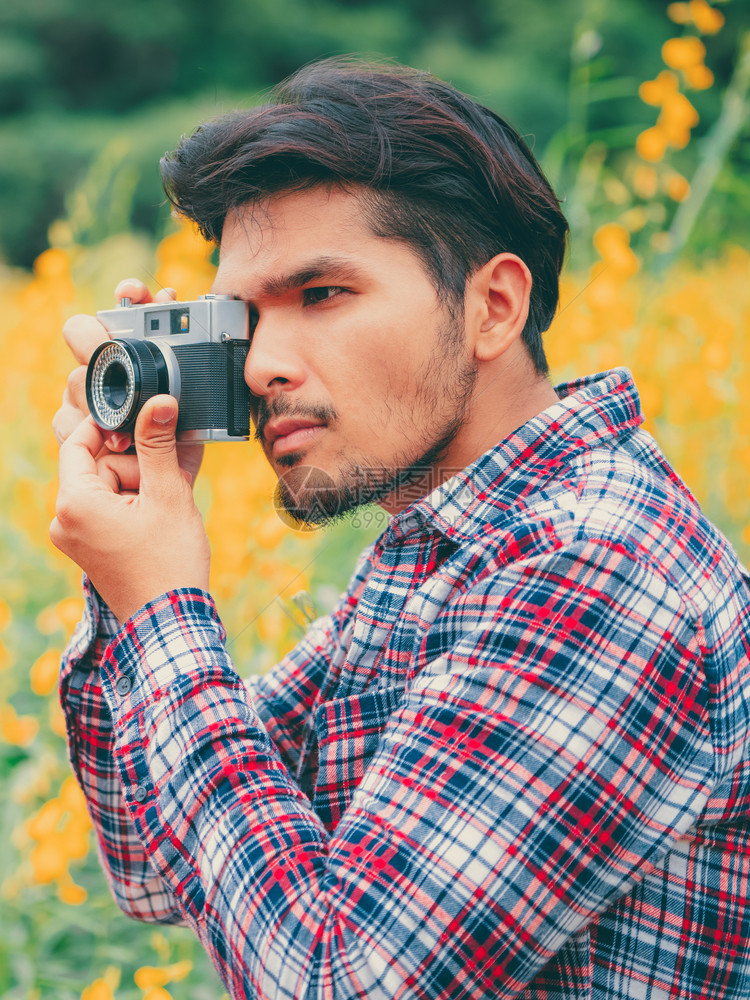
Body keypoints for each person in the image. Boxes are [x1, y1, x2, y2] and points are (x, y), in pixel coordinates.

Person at [51, 58, 750, 999]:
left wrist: (166, 606)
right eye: (243, 317)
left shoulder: (590, 564)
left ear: (492, 307)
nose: (261, 365)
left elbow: (338, 978)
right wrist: (134, 550)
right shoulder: (447, 548)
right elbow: (152, 857)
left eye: (322, 295)